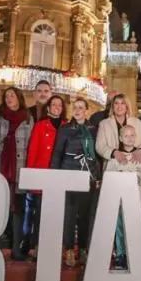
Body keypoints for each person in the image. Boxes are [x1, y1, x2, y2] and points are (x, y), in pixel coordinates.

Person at [0, 86, 34, 260]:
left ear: (19, 98)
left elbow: (31, 144)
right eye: (7, 96)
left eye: (12, 95)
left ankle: (16, 247)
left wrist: (29, 169)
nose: (9, 98)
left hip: (19, 171)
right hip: (0, 167)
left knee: (18, 209)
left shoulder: (27, 118)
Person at [97, 93, 141, 256]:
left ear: (127, 106)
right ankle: (120, 252)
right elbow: (100, 146)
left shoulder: (136, 122)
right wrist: (114, 152)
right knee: (118, 217)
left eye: (123, 103)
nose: (119, 106)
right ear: (112, 106)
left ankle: (139, 251)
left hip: (135, 166)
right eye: (116, 103)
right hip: (115, 167)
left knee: (136, 219)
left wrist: (140, 151)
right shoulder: (104, 124)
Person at [51, 97, 101, 267]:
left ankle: (84, 249)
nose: (78, 110)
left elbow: (97, 156)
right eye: (76, 107)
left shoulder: (94, 130)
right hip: (69, 175)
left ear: (87, 111)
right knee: (70, 214)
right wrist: (55, 175)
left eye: (81, 107)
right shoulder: (65, 129)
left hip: (88, 176)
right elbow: (57, 152)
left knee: (86, 214)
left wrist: (98, 177)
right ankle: (69, 249)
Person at [105, 125, 141, 269]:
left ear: (136, 137)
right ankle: (121, 254)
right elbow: (108, 176)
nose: (129, 138)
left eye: (132, 135)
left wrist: (139, 179)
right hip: (120, 201)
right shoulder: (115, 158)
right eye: (126, 136)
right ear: (121, 138)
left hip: (137, 199)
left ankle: (139, 253)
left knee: (138, 226)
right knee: (120, 226)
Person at [23, 94, 67, 253]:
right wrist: (31, 175)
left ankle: (53, 246)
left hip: (60, 174)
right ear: (48, 107)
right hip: (42, 173)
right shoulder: (40, 125)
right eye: (53, 104)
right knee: (40, 212)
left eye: (59, 105)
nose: (56, 107)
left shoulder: (67, 126)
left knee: (57, 213)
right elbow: (33, 150)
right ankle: (35, 245)